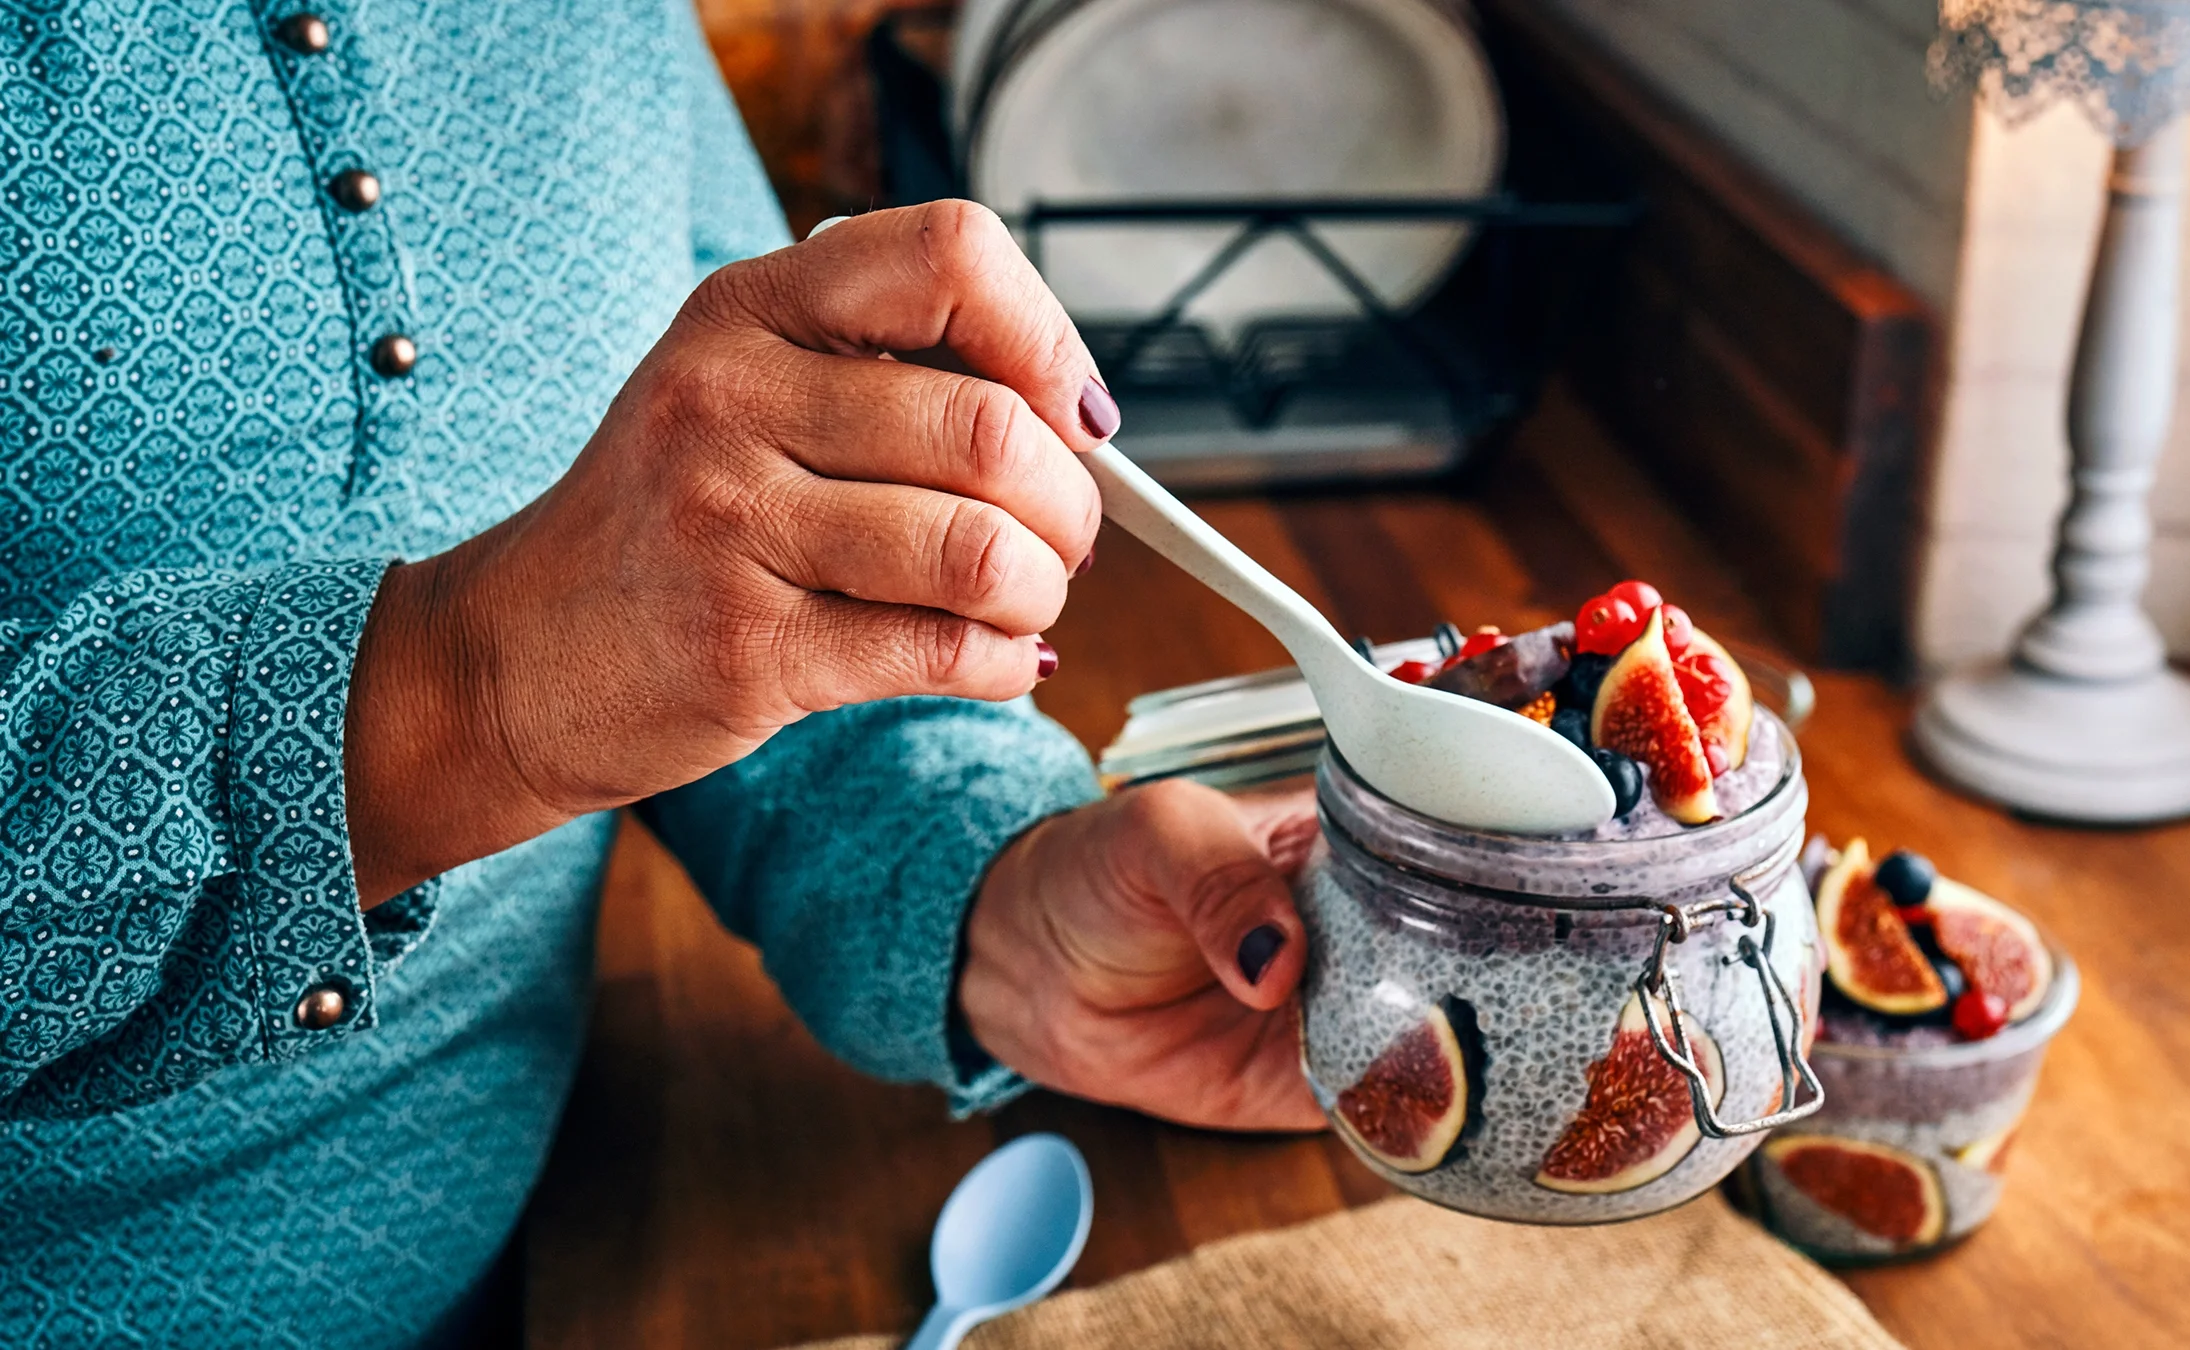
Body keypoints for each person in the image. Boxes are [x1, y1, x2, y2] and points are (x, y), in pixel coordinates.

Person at [0, 2, 1322, 1343]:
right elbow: (579, 632)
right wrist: (463, 690)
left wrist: (1002, 899)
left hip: (575, 1255)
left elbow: (728, 584)